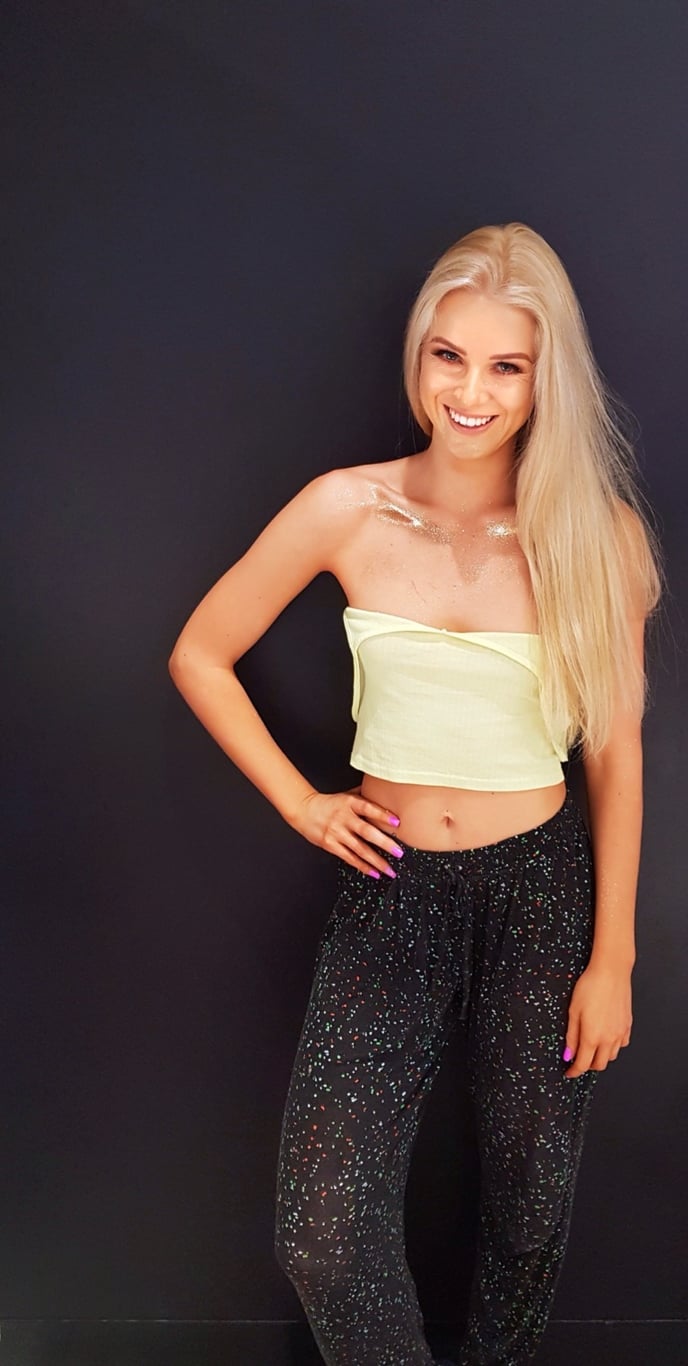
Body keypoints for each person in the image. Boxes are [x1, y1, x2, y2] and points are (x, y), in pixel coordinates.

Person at [168, 222, 662, 1366]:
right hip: (390, 882)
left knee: (529, 1211)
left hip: (542, 890)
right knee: (323, 1231)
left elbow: (615, 756)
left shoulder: (598, 538)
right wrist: (301, 803)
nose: (470, 392)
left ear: (543, 378)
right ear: (419, 355)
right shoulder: (346, 507)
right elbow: (200, 651)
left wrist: (614, 958)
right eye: (449, 356)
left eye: (505, 365)